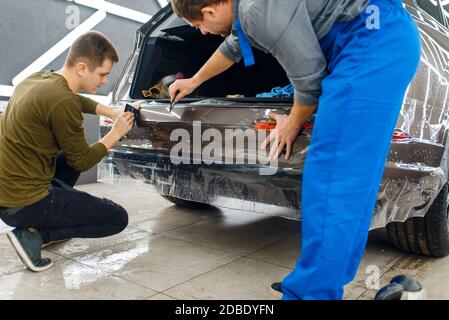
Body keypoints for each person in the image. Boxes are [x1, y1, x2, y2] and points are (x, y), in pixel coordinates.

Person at [169, 0, 421, 299]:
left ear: (210, 11)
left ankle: (311, 292)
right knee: (351, 180)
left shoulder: (255, 9)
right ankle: (321, 279)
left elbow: (310, 81)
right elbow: (233, 47)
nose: (202, 33)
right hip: (375, 38)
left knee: (333, 179)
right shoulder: (247, 10)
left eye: (198, 26)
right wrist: (194, 81)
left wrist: (292, 121)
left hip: (371, 39)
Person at [0, 31, 138, 272]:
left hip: (7, 193)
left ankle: (44, 221)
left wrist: (111, 112)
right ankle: (34, 234)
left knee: (70, 160)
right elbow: (83, 160)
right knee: (117, 218)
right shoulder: (62, 102)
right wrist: (116, 132)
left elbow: (75, 100)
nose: (105, 80)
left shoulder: (40, 79)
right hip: (22, 203)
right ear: (83, 68)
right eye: (103, 74)